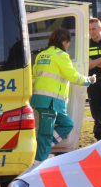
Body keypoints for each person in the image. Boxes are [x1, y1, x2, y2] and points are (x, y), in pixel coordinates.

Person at [31, 28, 96, 164]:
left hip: (43, 100)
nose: (69, 44)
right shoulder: (61, 55)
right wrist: (89, 80)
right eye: (68, 42)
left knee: (67, 124)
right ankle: (38, 165)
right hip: (51, 102)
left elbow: (34, 75)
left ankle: (44, 147)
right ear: (64, 41)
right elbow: (73, 77)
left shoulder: (41, 55)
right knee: (45, 134)